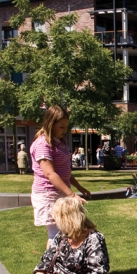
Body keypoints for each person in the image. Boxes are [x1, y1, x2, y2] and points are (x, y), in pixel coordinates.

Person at [30, 105, 92, 248]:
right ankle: (49, 267)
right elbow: (50, 173)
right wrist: (71, 195)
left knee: (66, 231)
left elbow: (65, 171)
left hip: (61, 192)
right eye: (61, 127)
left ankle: (60, 265)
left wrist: (79, 188)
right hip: (48, 193)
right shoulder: (42, 144)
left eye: (66, 127)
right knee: (55, 234)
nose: (65, 131)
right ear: (50, 124)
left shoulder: (59, 142)